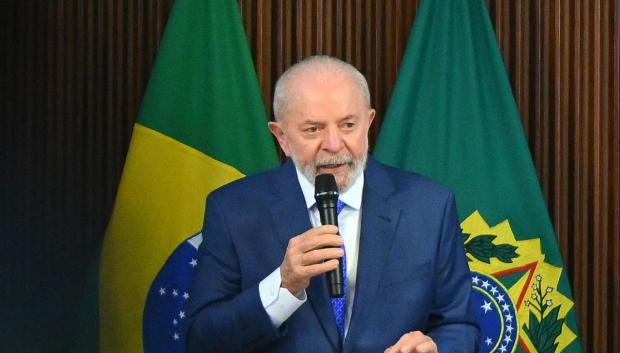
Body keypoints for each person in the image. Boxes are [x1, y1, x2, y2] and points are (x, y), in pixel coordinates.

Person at [186, 55, 479, 353]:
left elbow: (459, 325)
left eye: (348, 125)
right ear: (281, 137)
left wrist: (435, 349)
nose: (334, 145)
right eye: (313, 129)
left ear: (369, 123)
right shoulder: (233, 210)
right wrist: (283, 285)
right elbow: (202, 340)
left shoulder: (429, 206)